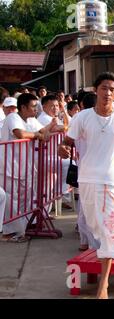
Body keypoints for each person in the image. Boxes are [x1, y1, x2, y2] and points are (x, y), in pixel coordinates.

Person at [58, 72, 114, 299]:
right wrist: (62, 149)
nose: (108, 93)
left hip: (112, 181)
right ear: (96, 90)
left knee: (109, 230)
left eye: (112, 89)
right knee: (94, 226)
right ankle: (110, 248)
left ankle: (103, 285)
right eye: (104, 88)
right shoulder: (82, 117)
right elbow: (67, 142)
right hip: (86, 179)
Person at [1, 93, 56, 243]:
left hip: (25, 166)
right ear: (23, 107)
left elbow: (42, 131)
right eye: (33, 106)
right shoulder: (13, 117)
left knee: (24, 199)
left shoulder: (31, 120)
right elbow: (20, 134)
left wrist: (54, 126)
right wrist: (37, 135)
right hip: (9, 166)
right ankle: (9, 232)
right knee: (11, 199)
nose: (36, 109)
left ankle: (23, 227)